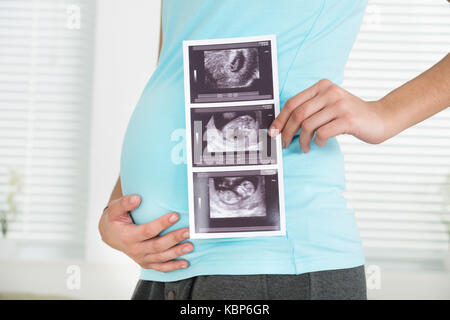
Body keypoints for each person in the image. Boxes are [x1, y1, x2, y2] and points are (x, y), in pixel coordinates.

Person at [98, 0, 450, 300]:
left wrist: (386, 114)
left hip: (273, 264)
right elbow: (175, 68)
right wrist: (124, 205)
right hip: (162, 269)